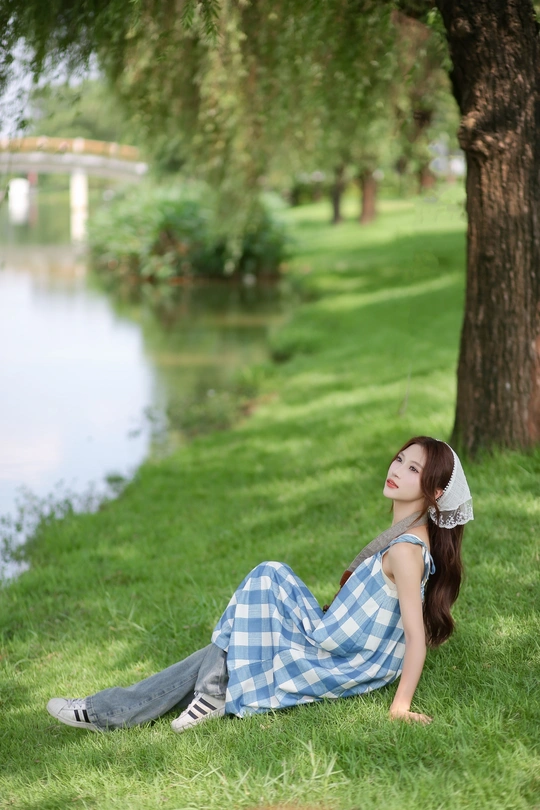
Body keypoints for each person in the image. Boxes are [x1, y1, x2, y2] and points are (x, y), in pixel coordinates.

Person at [47, 435, 473, 733]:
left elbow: (414, 636)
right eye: (400, 459)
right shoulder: (407, 537)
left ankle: (146, 704)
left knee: (265, 578)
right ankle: (113, 708)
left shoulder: (407, 550)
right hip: (332, 636)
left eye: (413, 469)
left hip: (339, 655)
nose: (397, 469)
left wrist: (400, 707)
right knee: (233, 635)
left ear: (435, 492)